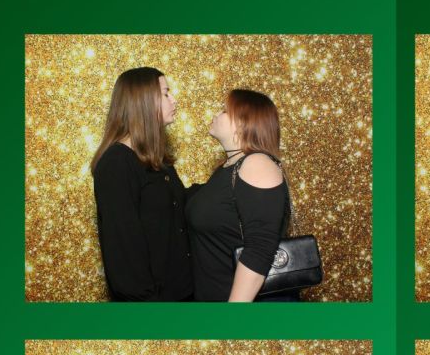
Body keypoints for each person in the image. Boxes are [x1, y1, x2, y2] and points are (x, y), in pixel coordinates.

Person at [91, 67, 193, 302]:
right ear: (143, 101)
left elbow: (176, 205)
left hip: (182, 296)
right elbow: (124, 255)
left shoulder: (156, 161)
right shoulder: (116, 164)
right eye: (165, 93)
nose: (173, 100)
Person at [186, 89, 291, 302]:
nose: (216, 114)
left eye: (224, 110)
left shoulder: (257, 164)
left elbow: (259, 249)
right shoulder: (227, 170)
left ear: (243, 123)